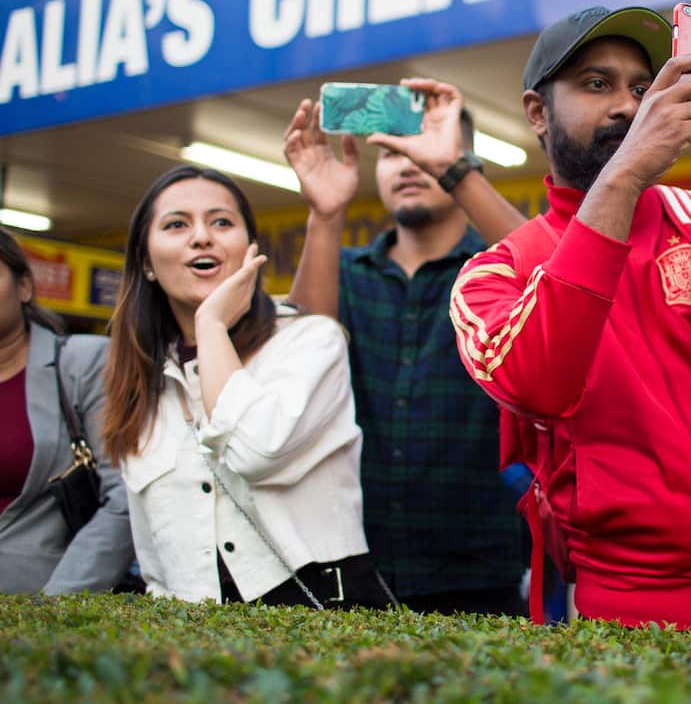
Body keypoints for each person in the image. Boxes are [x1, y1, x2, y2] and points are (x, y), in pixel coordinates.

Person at [441, 5, 691, 633]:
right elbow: (537, 384)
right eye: (597, 85)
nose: (627, 106)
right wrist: (624, 176)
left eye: (639, 87)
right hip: (632, 615)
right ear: (537, 113)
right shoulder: (495, 273)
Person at [283, 81, 528, 615]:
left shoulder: (499, 268)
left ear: (462, 159)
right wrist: (325, 216)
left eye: (421, 146)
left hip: (480, 573)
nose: (406, 163)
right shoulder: (341, 272)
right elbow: (298, 361)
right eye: (390, 151)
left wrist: (458, 174)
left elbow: (556, 278)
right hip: (351, 563)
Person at [100, 165, 391, 607]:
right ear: (146, 262)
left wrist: (211, 326)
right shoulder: (141, 376)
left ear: (249, 249)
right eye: (177, 224)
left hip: (320, 618)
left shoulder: (310, 341)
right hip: (194, 631)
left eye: (222, 222)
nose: (201, 237)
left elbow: (255, 452)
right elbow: (155, 558)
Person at [0, 229, 133, 594]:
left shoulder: (83, 364)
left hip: (40, 602)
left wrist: (56, 610)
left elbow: (123, 499)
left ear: (24, 286)